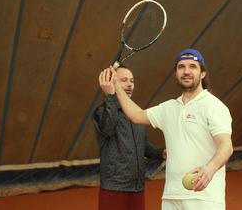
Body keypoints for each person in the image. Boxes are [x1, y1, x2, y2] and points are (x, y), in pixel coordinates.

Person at [100, 49, 233, 210]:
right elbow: (137, 115)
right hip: (171, 198)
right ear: (176, 73)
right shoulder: (169, 108)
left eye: (193, 66)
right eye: (181, 67)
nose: (186, 71)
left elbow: (226, 146)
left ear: (202, 73)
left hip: (204, 198)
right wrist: (115, 87)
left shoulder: (214, 106)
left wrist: (210, 168)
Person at [93, 66, 166, 210]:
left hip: (137, 187)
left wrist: (161, 153)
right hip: (114, 188)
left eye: (132, 81)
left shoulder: (137, 113)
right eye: (124, 80)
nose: (129, 84)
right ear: (112, 83)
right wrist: (110, 96)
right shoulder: (102, 112)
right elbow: (108, 129)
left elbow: (143, 146)